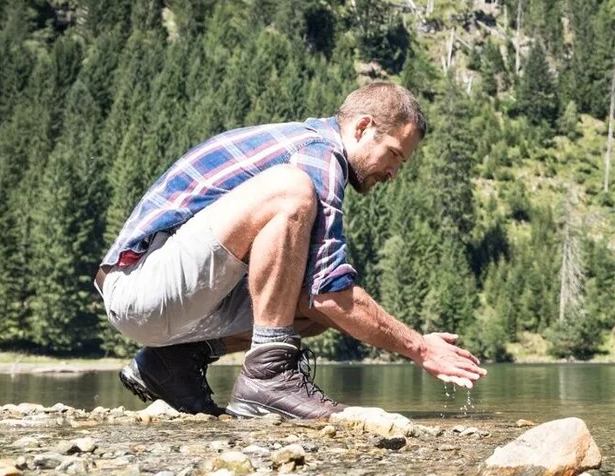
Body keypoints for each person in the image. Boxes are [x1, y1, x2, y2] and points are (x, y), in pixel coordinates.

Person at [95, 82, 486, 420]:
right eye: (395, 155)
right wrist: (418, 346)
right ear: (363, 127)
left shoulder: (315, 149)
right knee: (291, 190)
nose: (393, 173)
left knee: (306, 311)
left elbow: (318, 300)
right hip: (140, 286)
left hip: (171, 297)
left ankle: (170, 363)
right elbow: (330, 290)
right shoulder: (317, 153)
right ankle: (267, 377)